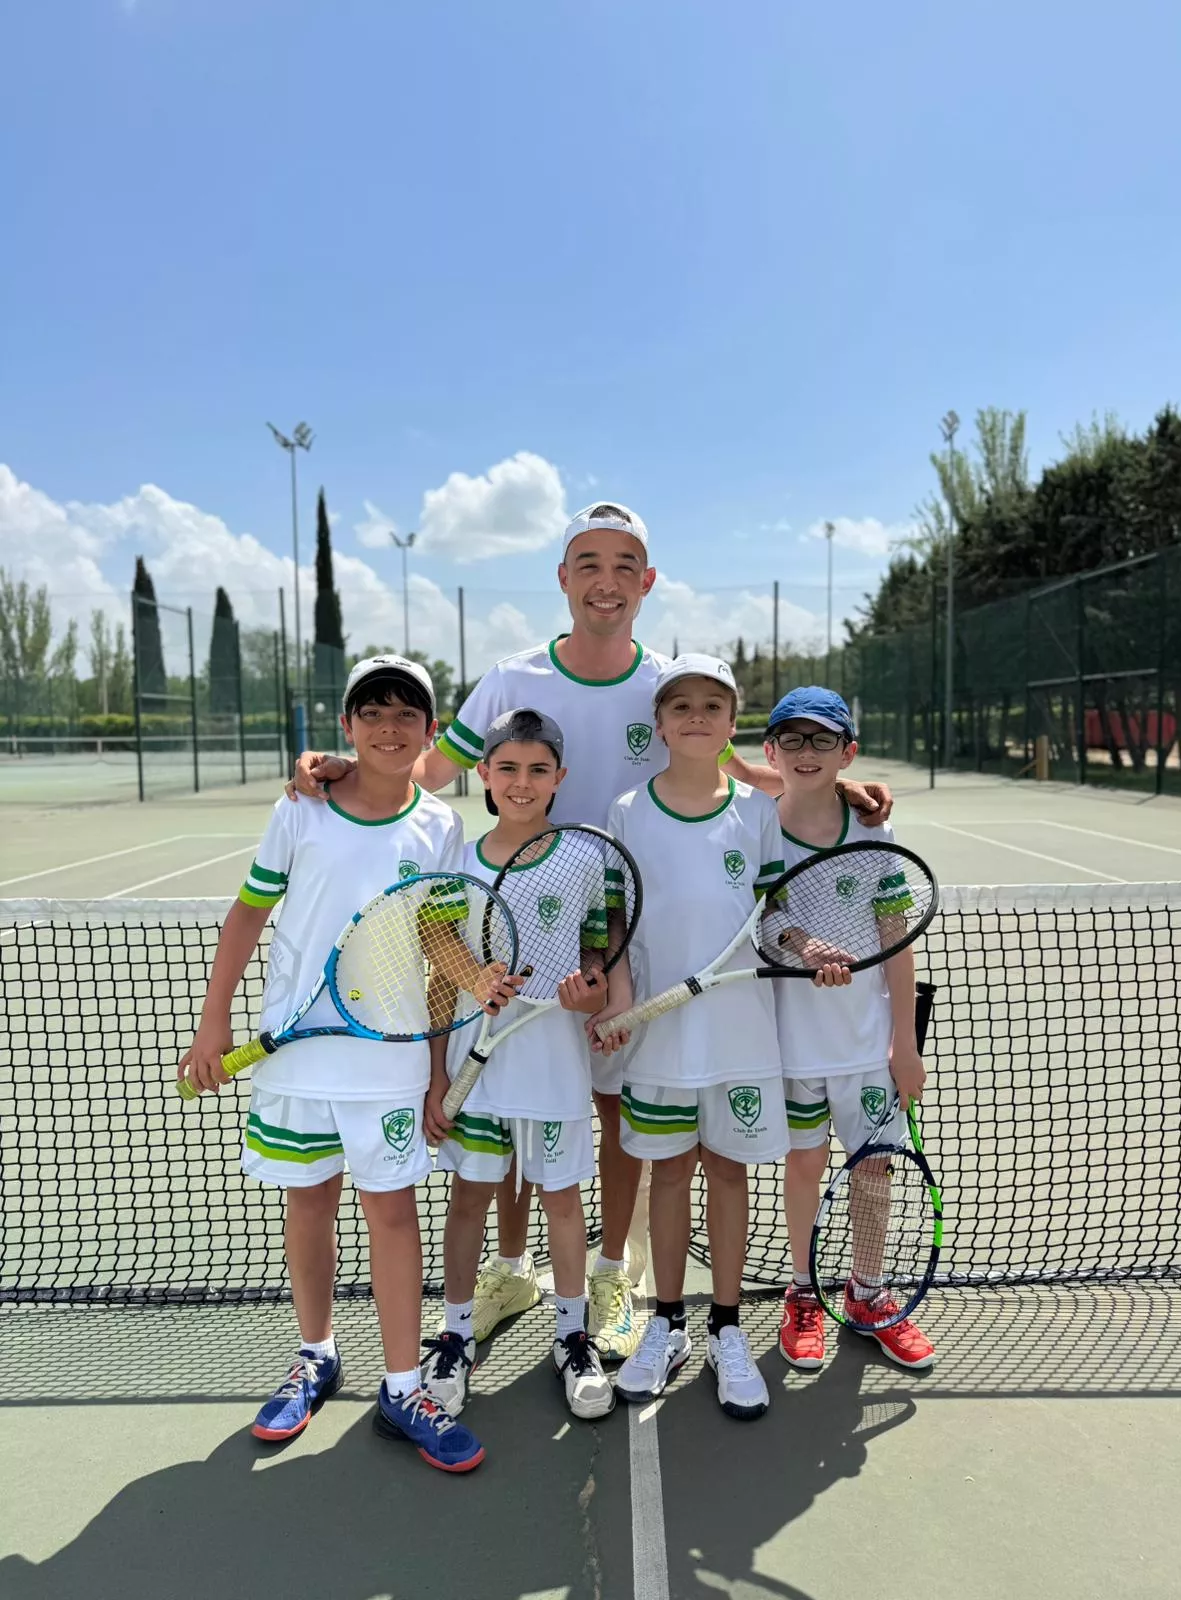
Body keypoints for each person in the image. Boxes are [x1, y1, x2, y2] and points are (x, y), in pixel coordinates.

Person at [287, 501, 895, 1360]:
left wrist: (835, 790)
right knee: (503, 1099)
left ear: (645, 583)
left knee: (605, 1111)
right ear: (564, 578)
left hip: (612, 941)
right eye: (587, 564)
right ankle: (508, 1267)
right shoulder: (511, 678)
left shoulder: (667, 687)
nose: (604, 582)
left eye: (623, 566)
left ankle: (611, 1269)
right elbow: (426, 766)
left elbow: (731, 761)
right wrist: (342, 765)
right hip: (508, 927)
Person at [178, 656, 519, 1471]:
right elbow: (246, 915)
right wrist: (212, 1022)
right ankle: (316, 1354)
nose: (390, 727)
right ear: (346, 728)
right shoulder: (299, 811)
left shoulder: (438, 825)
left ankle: (404, 1388)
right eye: (373, 712)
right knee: (308, 1206)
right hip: (295, 1057)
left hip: (388, 1062)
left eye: (408, 714)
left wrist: (466, 1002)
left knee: (393, 1216)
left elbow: (439, 940)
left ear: (431, 733)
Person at [597, 654, 803, 1420]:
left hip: (741, 1037)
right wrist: (619, 997)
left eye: (711, 705)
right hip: (657, 1037)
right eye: (678, 705)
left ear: (731, 723)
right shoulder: (626, 811)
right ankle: (666, 1323)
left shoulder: (756, 811)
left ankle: (726, 1328)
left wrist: (805, 948)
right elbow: (614, 918)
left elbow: (772, 913)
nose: (694, 716)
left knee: (728, 1174)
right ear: (659, 724)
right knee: (669, 1175)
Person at [422, 708, 616, 1422]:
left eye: (538, 769)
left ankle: (572, 1336)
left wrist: (589, 987)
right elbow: (437, 949)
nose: (522, 782)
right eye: (507, 767)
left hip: (553, 1063)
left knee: (562, 1200)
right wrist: (438, 1075)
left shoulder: (585, 857)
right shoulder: (461, 861)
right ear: (484, 775)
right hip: (474, 1066)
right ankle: (455, 1332)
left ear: (559, 777)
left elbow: (596, 948)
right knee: (469, 1197)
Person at [763, 686, 935, 1371]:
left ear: (848, 752)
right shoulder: (756, 828)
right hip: (792, 1045)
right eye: (794, 740)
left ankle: (866, 1293)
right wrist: (803, 944)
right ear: (771, 749)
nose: (808, 753)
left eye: (823, 740)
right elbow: (764, 919)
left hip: (867, 1047)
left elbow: (897, 941)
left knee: (873, 1171)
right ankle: (803, 1292)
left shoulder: (873, 833)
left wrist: (905, 1044)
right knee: (804, 1166)